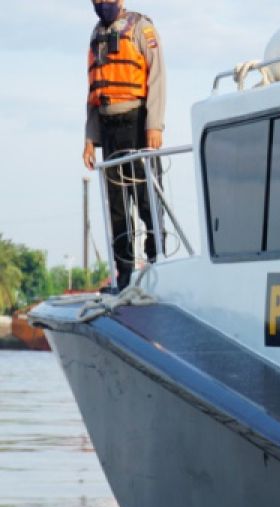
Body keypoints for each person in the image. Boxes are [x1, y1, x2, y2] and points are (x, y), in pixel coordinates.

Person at [83, 0, 165, 291]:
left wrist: (154, 125)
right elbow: (93, 91)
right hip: (107, 128)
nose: (101, 4)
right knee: (116, 207)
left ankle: (158, 263)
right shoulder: (96, 35)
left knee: (146, 199)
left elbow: (157, 77)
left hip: (137, 122)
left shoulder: (142, 28)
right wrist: (90, 140)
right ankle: (124, 274)